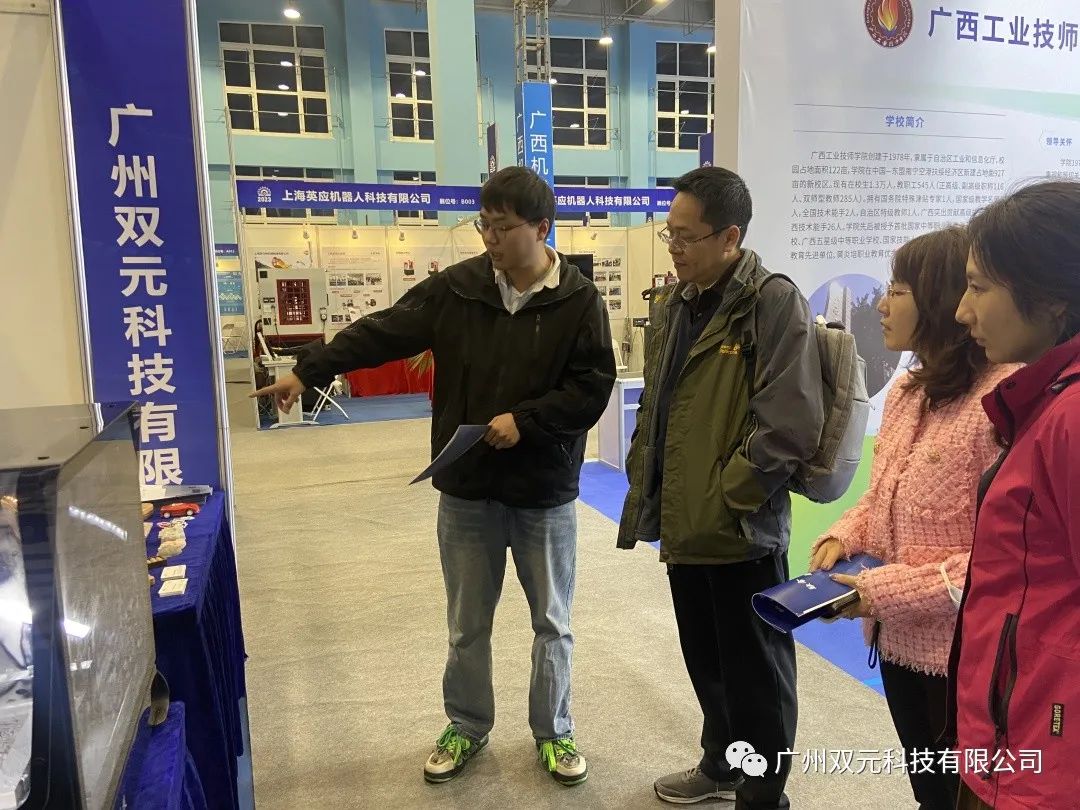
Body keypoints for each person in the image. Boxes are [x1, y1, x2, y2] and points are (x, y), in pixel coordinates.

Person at [252, 166, 616, 787]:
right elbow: (382, 332)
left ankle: (554, 730)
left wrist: (526, 421)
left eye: (502, 227)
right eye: (484, 225)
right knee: (467, 625)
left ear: (541, 228)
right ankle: (467, 725)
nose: (490, 239)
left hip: (543, 492)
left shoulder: (578, 300)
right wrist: (308, 370)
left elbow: (591, 387)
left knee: (552, 623)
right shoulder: (459, 289)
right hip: (468, 489)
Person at [618, 166, 824, 809]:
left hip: (740, 529)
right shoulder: (679, 302)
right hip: (685, 521)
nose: (674, 247)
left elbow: (790, 423)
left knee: (756, 673)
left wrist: (729, 495)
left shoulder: (771, 302)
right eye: (669, 233)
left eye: (686, 236)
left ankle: (763, 795)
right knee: (707, 661)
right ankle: (721, 764)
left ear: (730, 237)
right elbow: (661, 404)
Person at [809, 227, 1016, 810]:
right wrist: (844, 534)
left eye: (898, 290)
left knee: (966, 795)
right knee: (930, 789)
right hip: (896, 641)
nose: (881, 303)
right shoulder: (907, 390)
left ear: (941, 299)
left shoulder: (1001, 400)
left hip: (965, 657)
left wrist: (880, 591)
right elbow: (884, 496)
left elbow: (998, 562)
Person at [946, 181, 1080, 810]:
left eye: (978, 287)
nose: (961, 311)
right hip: (1015, 742)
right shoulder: (1045, 402)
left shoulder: (1071, 416)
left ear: (1051, 297)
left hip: (1047, 764)